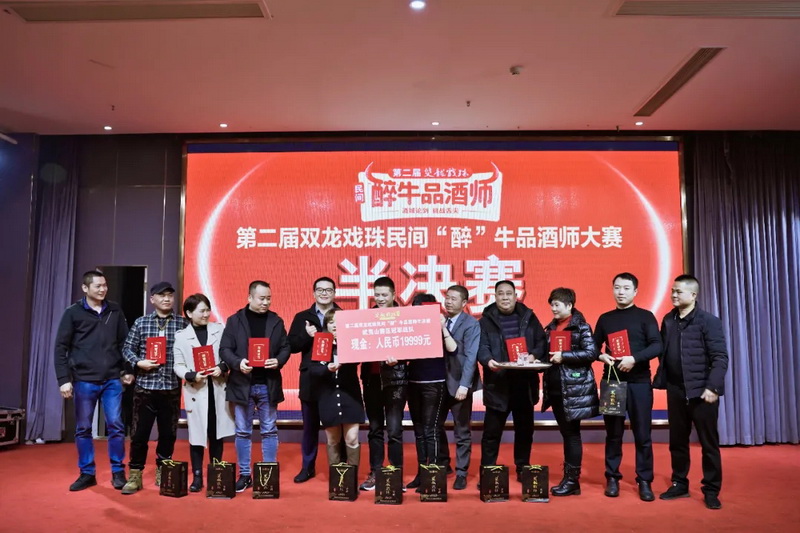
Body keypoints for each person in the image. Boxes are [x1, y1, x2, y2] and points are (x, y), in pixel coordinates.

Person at [54, 270, 133, 491]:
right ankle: (87, 473)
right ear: (85, 288)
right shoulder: (72, 313)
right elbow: (60, 348)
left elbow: (124, 342)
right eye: (98, 286)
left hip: (112, 379)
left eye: (104, 285)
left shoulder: (115, 310)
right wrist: (63, 379)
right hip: (84, 379)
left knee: (116, 425)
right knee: (83, 428)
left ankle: (118, 472)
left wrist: (127, 369)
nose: (103, 289)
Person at [655, 275, 728, 510]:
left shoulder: (709, 321)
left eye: (679, 291)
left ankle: (711, 489)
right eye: (672, 291)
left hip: (702, 392)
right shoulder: (668, 320)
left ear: (693, 295)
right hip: (676, 391)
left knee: (708, 444)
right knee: (677, 441)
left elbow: (720, 357)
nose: (674, 295)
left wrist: (712, 387)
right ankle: (679, 483)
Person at [594, 272, 662, 501]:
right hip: (612, 382)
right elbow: (593, 347)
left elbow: (657, 345)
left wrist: (635, 358)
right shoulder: (605, 319)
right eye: (617, 287)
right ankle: (612, 478)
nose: (620, 292)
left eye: (625, 288)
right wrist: (601, 356)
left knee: (643, 434)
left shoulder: (645, 316)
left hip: (639, 382)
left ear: (635, 291)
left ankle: (645, 480)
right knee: (613, 434)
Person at [220, 280, 291, 492]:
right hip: (243, 385)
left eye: (269, 298)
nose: (266, 302)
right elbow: (225, 349)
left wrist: (278, 360)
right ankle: (245, 475)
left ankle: (267, 474)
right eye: (261, 298)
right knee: (243, 432)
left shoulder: (276, 321)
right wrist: (237, 363)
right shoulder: (234, 321)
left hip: (268, 384)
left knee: (269, 430)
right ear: (250, 297)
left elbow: (285, 347)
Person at [121, 281, 188, 494]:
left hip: (171, 388)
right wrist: (138, 362)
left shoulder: (183, 323)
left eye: (170, 295)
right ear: (152, 299)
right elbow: (127, 349)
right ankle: (135, 475)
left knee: (168, 434)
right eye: (162, 295)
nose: (167, 299)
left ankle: (163, 472)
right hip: (145, 389)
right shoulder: (141, 323)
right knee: (139, 434)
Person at [478, 280, 546, 481]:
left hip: (524, 384)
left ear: (516, 296)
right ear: (495, 297)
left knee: (525, 431)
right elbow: (481, 346)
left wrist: (533, 356)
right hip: (497, 383)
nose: (505, 297)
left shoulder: (529, 317)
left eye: (509, 293)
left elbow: (541, 342)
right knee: (491, 433)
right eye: (501, 294)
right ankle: (487, 471)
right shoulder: (485, 321)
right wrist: (487, 360)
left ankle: (523, 468)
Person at [173, 293, 236, 492]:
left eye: (208, 310)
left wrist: (222, 367)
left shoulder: (219, 330)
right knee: (197, 436)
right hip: (196, 390)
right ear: (189, 313)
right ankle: (198, 476)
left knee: (217, 433)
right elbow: (178, 364)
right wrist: (191, 375)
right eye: (201, 311)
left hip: (217, 388)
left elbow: (228, 353)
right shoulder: (181, 336)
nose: (206, 314)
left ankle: (216, 473)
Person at [541, 287, 599, 497]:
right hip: (556, 389)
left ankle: (572, 480)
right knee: (566, 433)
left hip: (574, 390)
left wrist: (564, 356)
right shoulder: (550, 328)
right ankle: (570, 479)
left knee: (572, 434)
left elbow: (591, 353)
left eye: (557, 305)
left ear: (569, 305)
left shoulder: (581, 327)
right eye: (552, 305)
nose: (553, 309)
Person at [287, 276, 341, 483]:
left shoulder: (343, 315)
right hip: (310, 379)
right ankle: (307, 467)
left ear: (334, 293)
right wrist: (307, 336)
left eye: (328, 290)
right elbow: (291, 346)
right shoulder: (303, 317)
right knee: (309, 427)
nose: (324, 293)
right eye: (320, 290)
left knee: (338, 427)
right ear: (313, 293)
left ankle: (341, 467)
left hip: (336, 379)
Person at [359, 276, 408, 491]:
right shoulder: (366, 318)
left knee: (395, 430)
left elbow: (414, 347)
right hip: (371, 380)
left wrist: (401, 357)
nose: (380, 298)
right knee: (375, 429)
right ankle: (375, 472)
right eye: (377, 295)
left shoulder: (404, 318)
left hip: (396, 380)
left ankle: (396, 473)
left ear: (393, 295)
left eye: (384, 295)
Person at [405, 294, 457, 492]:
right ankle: (421, 473)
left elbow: (453, 349)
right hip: (413, 383)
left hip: (434, 384)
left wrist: (441, 326)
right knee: (419, 432)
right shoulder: (408, 328)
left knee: (431, 431)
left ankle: (432, 475)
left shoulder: (439, 325)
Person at [437, 284, 481, 490]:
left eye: (453, 298)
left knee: (462, 431)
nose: (448, 301)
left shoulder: (471, 324)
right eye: (447, 297)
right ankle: (444, 463)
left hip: (460, 384)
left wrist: (465, 385)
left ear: (464, 303)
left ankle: (462, 472)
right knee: (435, 426)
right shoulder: (439, 320)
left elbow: (471, 358)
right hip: (439, 383)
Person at [309, 308, 364, 468]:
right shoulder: (320, 344)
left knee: (352, 438)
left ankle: (351, 477)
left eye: (338, 322)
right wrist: (327, 368)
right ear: (326, 325)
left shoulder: (352, 343)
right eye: (331, 322)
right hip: (328, 397)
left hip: (350, 397)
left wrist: (344, 342)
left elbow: (357, 360)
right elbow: (313, 370)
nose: (334, 325)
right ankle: (337, 479)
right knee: (333, 439)